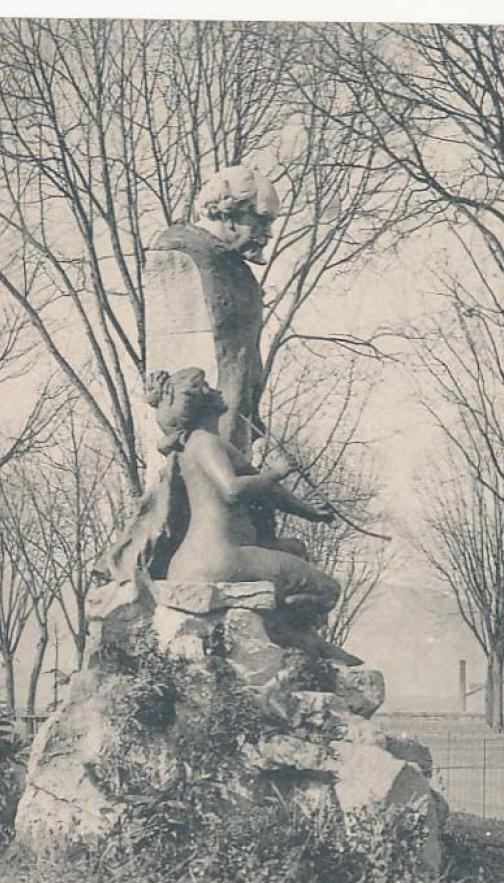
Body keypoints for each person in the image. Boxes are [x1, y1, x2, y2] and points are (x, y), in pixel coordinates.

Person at [147, 367, 340, 622]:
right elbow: (232, 489)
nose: (217, 391)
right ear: (202, 399)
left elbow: (267, 492)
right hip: (220, 559)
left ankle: (284, 622)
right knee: (329, 590)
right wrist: (276, 472)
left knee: (295, 548)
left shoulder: (205, 443)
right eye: (209, 386)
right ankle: (285, 628)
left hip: (202, 560)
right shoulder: (205, 442)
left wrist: (309, 511)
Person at [150, 166, 280, 453]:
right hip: (205, 434)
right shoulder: (184, 251)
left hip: (236, 420)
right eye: (259, 220)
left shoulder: (237, 268)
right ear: (226, 213)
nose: (267, 233)